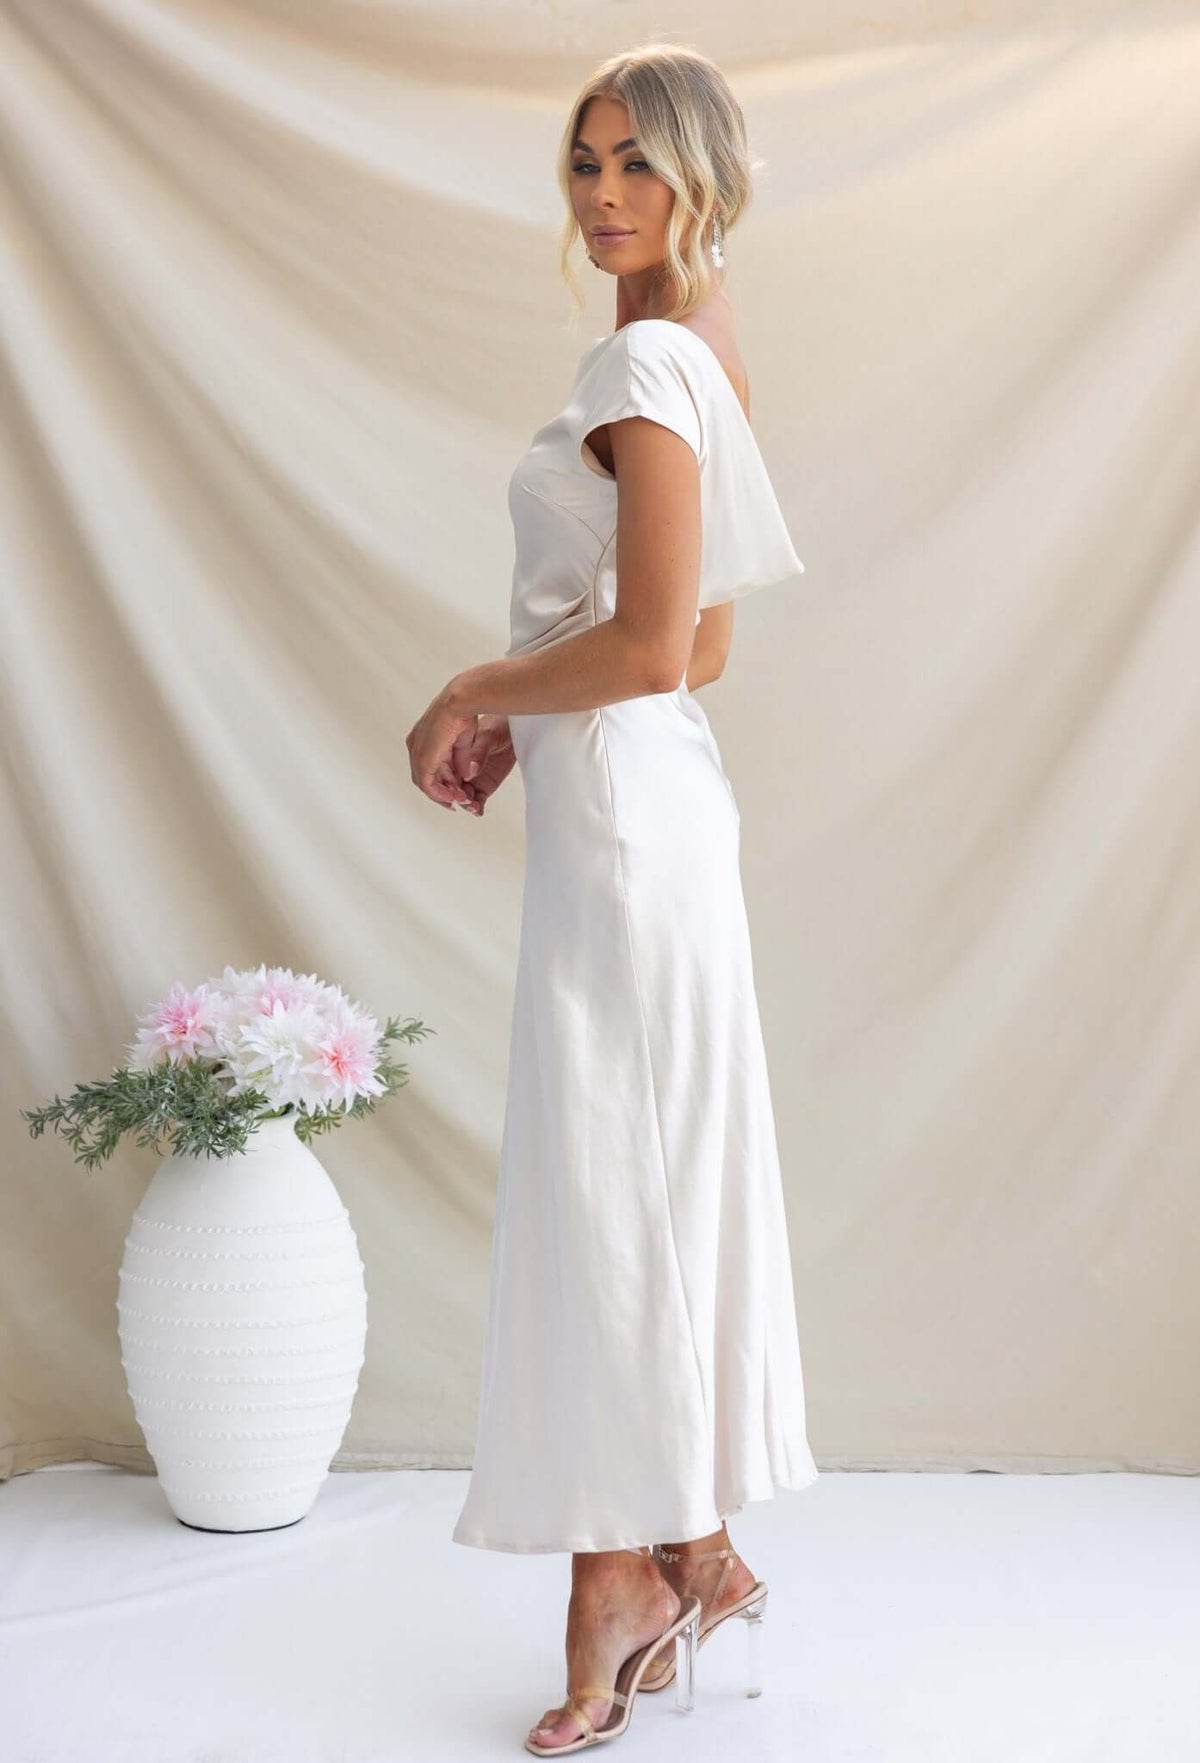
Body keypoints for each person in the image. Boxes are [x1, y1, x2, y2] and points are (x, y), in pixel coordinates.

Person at [405, 42, 820, 1754]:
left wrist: (479, 690)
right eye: (583, 164)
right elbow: (695, 641)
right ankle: (685, 1546)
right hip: (641, 813)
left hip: (634, 834)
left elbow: (663, 643)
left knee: (607, 1176)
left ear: (699, 176)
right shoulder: (692, 345)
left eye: (634, 167)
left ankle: (624, 1574)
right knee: (631, 1172)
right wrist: (535, 706)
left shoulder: (653, 355)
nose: (598, 196)